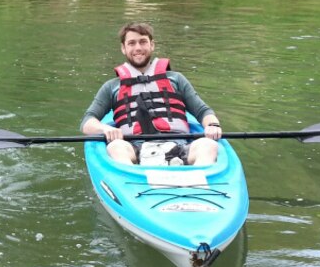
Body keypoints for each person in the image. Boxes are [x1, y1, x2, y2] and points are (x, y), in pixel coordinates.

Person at [81, 21, 223, 166]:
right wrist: (106, 129)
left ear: (152, 45)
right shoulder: (111, 87)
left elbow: (203, 111)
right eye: (132, 43)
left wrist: (212, 125)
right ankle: (133, 182)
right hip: (134, 148)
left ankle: (198, 183)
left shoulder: (176, 79)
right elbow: (87, 123)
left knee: (209, 145)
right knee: (115, 147)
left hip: (179, 145)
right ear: (123, 48)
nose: (138, 48)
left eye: (143, 42)